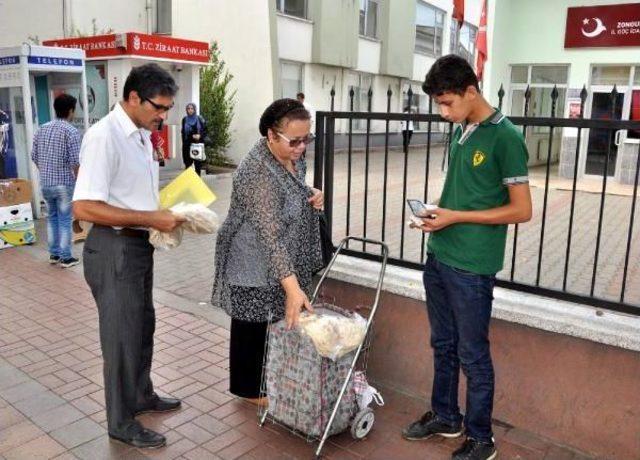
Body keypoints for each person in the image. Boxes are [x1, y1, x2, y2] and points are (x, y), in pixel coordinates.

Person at [402, 55, 532, 460]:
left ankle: (481, 438)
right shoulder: (463, 128)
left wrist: (457, 217)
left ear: (471, 91)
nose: (443, 113)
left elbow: (521, 210)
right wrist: (437, 211)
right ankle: (445, 416)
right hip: (440, 254)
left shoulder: (506, 137)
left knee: (472, 353)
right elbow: (465, 189)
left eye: (447, 103)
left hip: (472, 266)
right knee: (443, 343)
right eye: (439, 105)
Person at [72, 63, 185, 449]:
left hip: (138, 245)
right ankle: (121, 421)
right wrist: (150, 216)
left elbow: (132, 192)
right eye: (159, 107)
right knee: (120, 339)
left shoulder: (139, 134)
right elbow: (84, 207)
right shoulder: (104, 136)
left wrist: (165, 212)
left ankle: (141, 394)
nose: (164, 115)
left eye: (168, 108)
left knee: (143, 327)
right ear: (134, 97)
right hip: (113, 247)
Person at [211, 98, 323, 405]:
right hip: (252, 254)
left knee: (271, 314)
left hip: (280, 250)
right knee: (252, 319)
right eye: (294, 141)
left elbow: (293, 186)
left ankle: (266, 376)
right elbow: (268, 236)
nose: (301, 148)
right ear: (271, 136)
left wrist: (312, 193)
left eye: (306, 139)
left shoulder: (293, 156)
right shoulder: (255, 172)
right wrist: (293, 288)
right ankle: (249, 389)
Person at [31, 94, 81, 267]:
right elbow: (76, 161)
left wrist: (46, 172)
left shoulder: (42, 128)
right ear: (70, 110)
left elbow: (34, 156)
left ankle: (54, 254)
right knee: (65, 219)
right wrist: (80, 182)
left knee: (52, 218)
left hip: (46, 183)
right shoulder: (71, 131)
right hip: (64, 184)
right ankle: (66, 257)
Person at [181, 102, 206, 176]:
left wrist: (200, 136)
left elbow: (205, 131)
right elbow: (183, 133)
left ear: (195, 109)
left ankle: (198, 183)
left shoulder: (199, 119)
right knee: (187, 166)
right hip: (187, 145)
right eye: (188, 108)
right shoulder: (184, 119)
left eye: (192, 108)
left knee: (197, 166)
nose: (190, 110)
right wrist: (184, 144)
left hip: (196, 145)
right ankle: (188, 183)